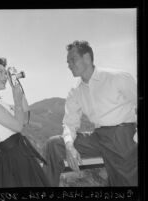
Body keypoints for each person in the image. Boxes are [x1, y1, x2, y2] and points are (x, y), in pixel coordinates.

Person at [42, 40, 137, 186]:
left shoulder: (117, 78)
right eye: (67, 62)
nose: (69, 65)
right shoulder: (75, 91)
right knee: (54, 144)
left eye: (72, 60)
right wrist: (69, 146)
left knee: (125, 183)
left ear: (86, 57)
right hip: (98, 137)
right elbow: (69, 122)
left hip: (122, 136)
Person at [0, 57, 50, 187]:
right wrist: (16, 98)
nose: (5, 76)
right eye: (0, 72)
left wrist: (16, 86)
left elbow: (25, 118)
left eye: (6, 72)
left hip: (19, 154)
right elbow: (18, 126)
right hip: (14, 159)